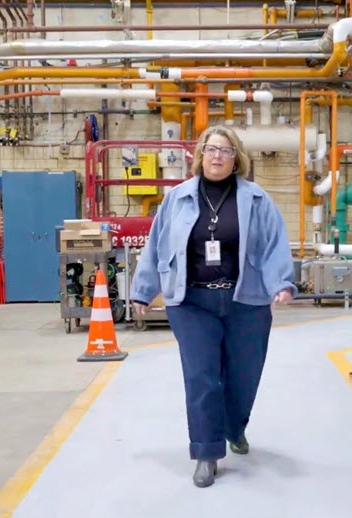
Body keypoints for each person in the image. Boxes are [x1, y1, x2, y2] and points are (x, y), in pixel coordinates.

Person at [130, 125, 296, 488]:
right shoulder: (177, 198)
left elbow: (272, 245)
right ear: (199, 155)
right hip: (192, 302)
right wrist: (143, 290)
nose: (216, 156)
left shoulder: (256, 199)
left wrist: (282, 282)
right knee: (202, 378)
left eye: (224, 150)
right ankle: (206, 452)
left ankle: (234, 428)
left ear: (236, 158)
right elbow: (157, 245)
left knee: (243, 376)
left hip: (245, 301)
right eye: (210, 149)